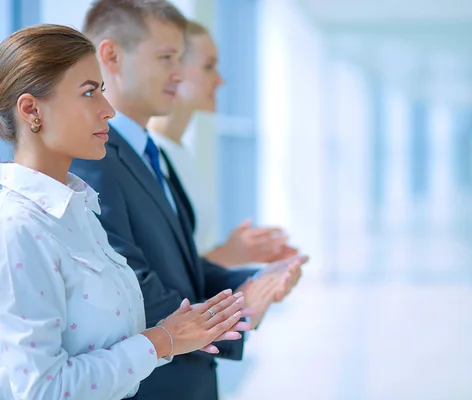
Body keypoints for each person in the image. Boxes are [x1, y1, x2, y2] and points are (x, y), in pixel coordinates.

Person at [69, 1, 307, 399]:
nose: (179, 74)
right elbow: (132, 287)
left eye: (180, 59)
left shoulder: (149, 151)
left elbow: (180, 270)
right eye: (166, 58)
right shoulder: (93, 159)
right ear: (111, 56)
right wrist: (239, 308)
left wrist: (253, 282)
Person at [0, 24, 251, 400]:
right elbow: (41, 390)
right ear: (32, 109)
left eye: (101, 90)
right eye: (89, 92)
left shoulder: (79, 210)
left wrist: (177, 332)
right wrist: (161, 341)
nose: (108, 110)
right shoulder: (18, 228)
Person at [148, 20, 298, 267]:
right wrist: (229, 256)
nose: (220, 80)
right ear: (172, 68)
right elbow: (164, 273)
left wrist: (245, 256)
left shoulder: (180, 153)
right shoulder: (147, 157)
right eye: (208, 67)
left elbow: (193, 254)